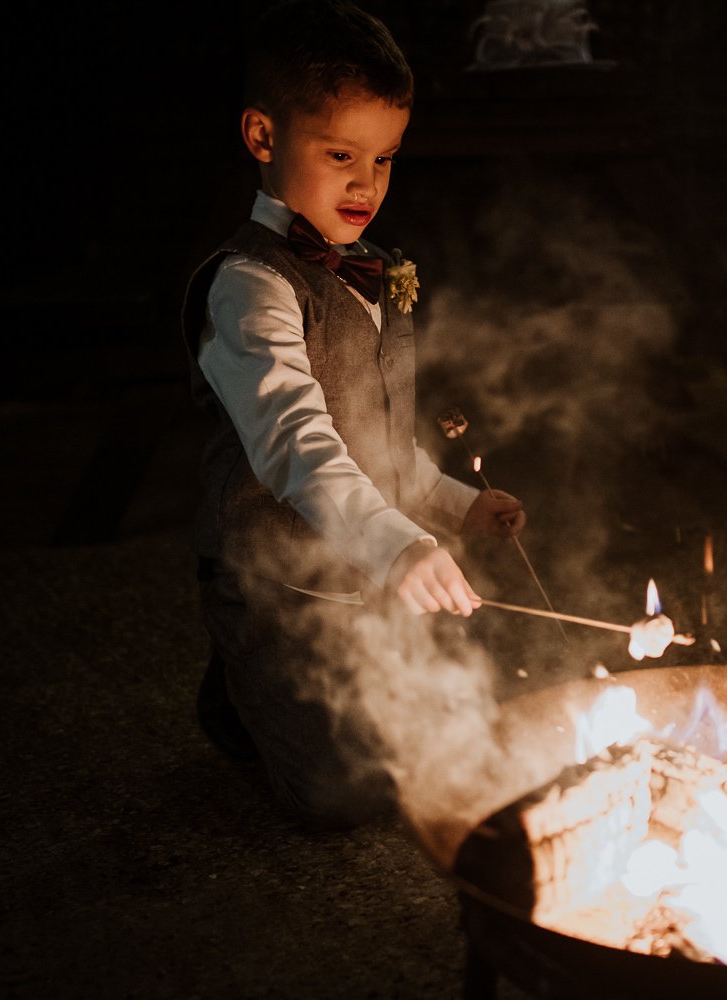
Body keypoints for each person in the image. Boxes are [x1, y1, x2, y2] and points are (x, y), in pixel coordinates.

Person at [180, 0, 526, 828]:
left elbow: (380, 441)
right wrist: (400, 545)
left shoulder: (374, 269)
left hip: (364, 571)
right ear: (263, 137)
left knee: (463, 737)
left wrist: (451, 506)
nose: (365, 184)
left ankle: (254, 693)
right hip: (280, 577)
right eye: (340, 154)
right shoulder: (251, 286)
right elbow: (297, 443)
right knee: (344, 801)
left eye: (385, 158)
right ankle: (243, 679)